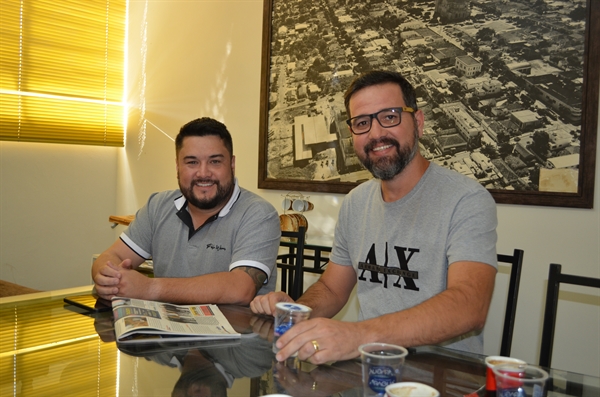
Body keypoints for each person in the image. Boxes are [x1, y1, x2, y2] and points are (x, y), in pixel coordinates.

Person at [250, 70, 498, 363]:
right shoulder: (357, 202)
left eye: (390, 116)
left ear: (418, 122)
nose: (376, 133)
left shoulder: (466, 200)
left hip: (443, 376)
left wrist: (359, 335)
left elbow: (470, 307)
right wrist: (297, 312)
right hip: (367, 369)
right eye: (362, 123)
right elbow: (331, 288)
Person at [92, 117, 280, 305]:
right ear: (177, 166)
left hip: (232, 332)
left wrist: (150, 288)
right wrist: (107, 277)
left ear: (232, 164)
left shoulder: (259, 214)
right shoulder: (158, 206)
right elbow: (111, 257)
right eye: (192, 162)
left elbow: (240, 289)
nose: (203, 173)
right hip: (162, 330)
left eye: (215, 162)